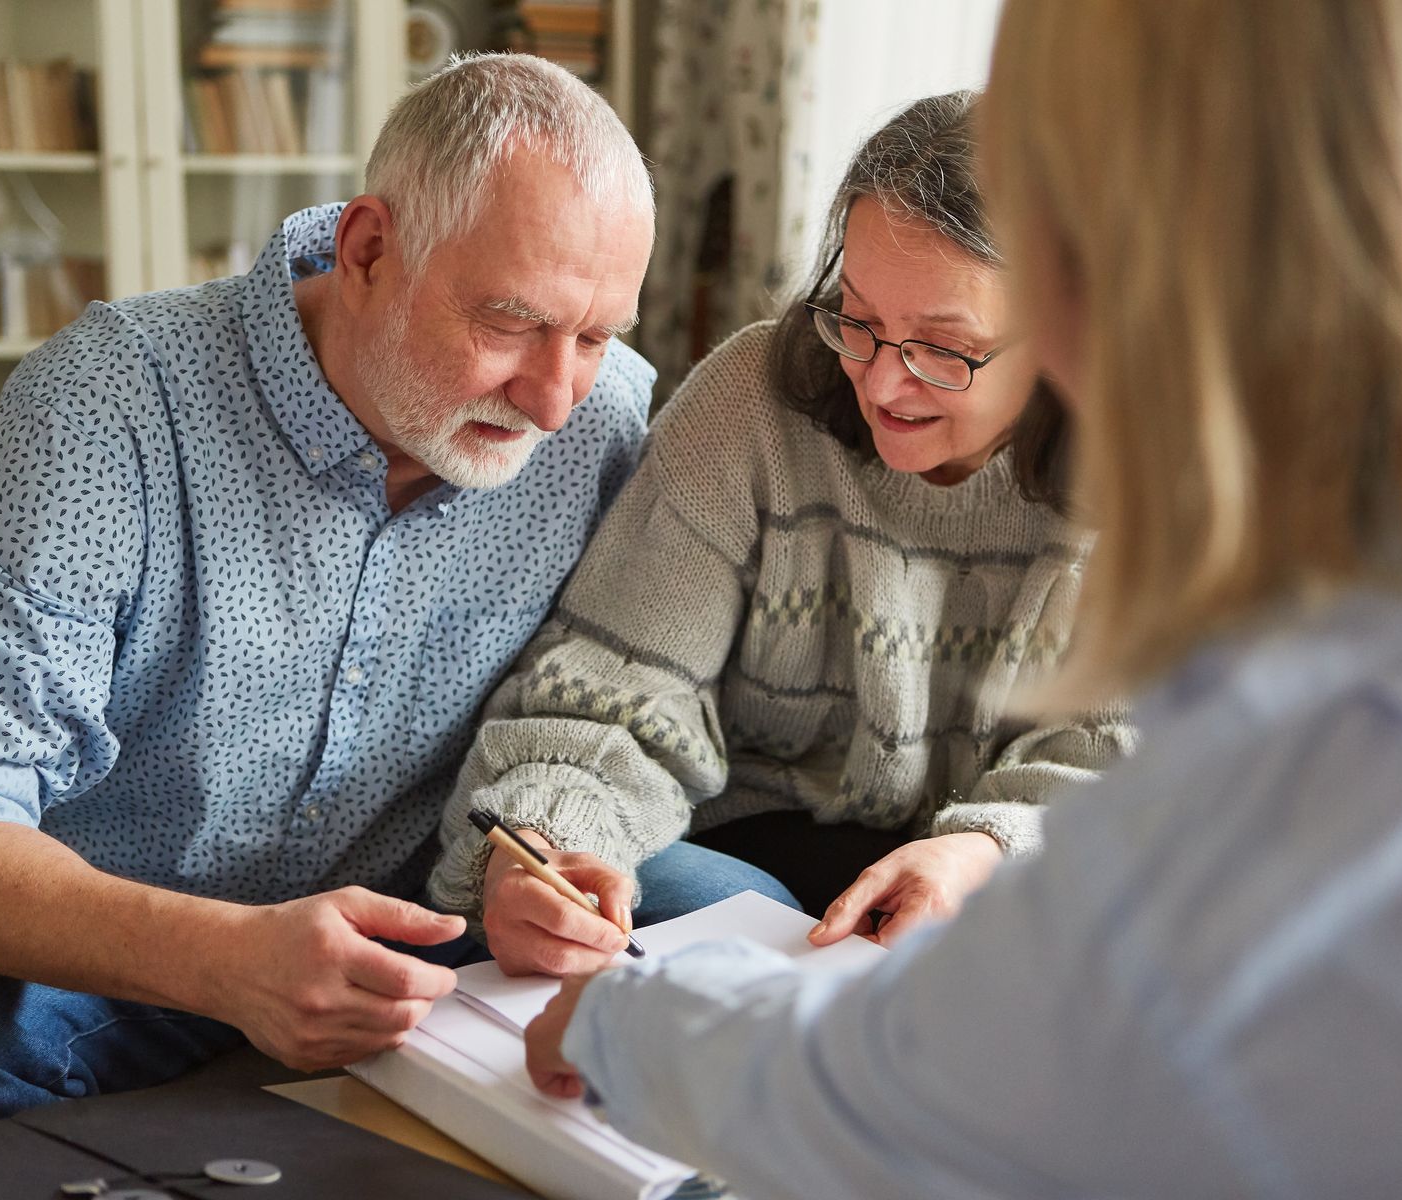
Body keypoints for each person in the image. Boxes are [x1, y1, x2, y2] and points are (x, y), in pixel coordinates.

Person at [521, 2, 1402, 1196]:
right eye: (862, 322)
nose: (889, 380)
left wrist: (629, 1025)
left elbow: (955, 1076)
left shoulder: (1325, 735)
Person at [0, 54, 656, 1136]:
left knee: (720, 917)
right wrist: (227, 959)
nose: (554, 402)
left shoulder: (608, 424)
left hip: (425, 923)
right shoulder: (110, 399)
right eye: (510, 323)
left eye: (595, 336)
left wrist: (535, 861)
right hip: (111, 946)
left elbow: (595, 710)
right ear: (368, 251)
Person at [429, 91, 1133, 979]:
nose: (881, 384)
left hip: (991, 876)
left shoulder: (1145, 463)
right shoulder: (750, 402)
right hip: (741, 854)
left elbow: (1124, 758)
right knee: (679, 900)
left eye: (942, 348)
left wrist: (984, 851)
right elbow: (618, 681)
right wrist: (548, 841)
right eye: (860, 320)